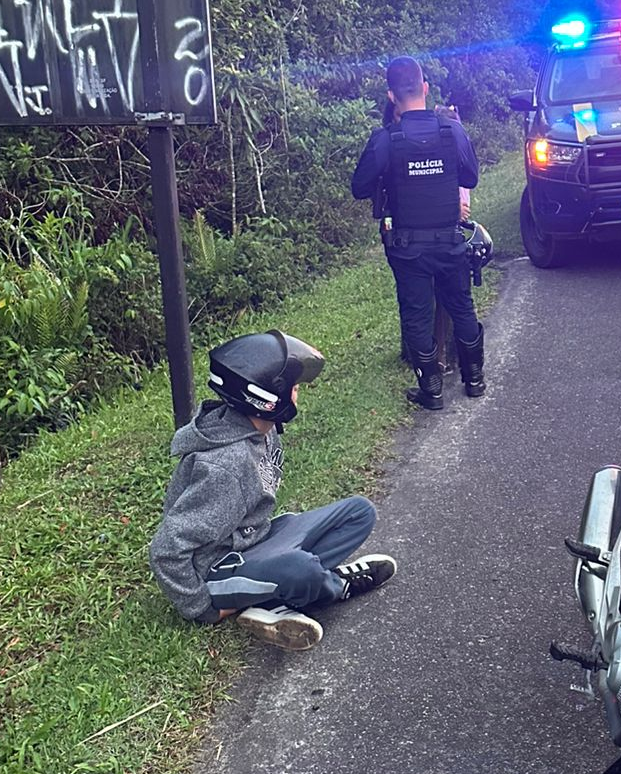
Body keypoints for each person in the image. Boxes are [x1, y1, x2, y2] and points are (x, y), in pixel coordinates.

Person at [149, 330, 396, 651]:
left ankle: (270, 598)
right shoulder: (225, 467)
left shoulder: (262, 430)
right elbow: (165, 550)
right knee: (301, 570)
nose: (297, 394)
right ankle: (332, 585)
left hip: (257, 539)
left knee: (359, 512)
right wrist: (203, 608)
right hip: (219, 568)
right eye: (293, 388)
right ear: (265, 399)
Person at [351, 57, 485, 410]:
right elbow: (470, 178)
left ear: (391, 95)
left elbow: (359, 186)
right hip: (450, 241)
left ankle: (432, 390)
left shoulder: (385, 139)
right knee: (462, 307)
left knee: (416, 314)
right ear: (425, 88)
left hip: (408, 247)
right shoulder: (450, 131)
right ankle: (475, 380)